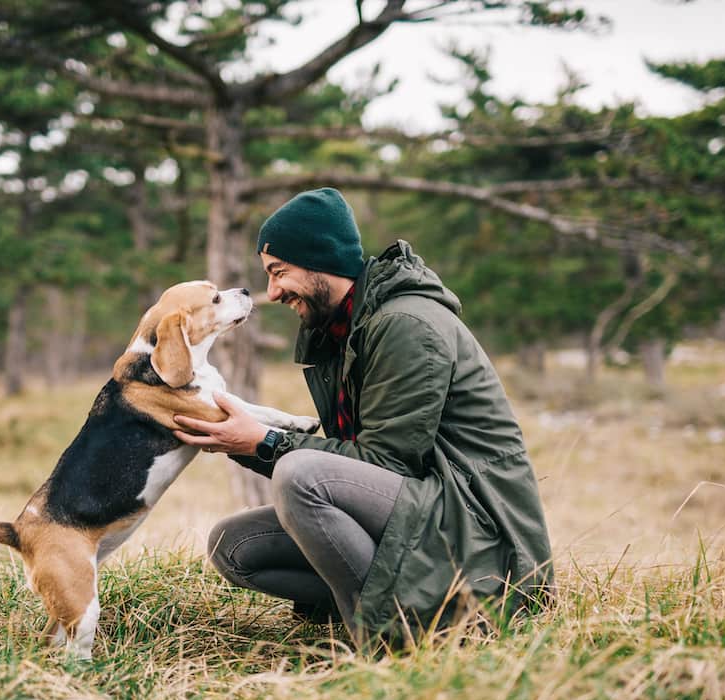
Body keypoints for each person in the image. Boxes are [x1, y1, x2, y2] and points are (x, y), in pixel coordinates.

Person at [173, 187, 553, 646]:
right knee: (233, 546)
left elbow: (385, 462)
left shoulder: (406, 324)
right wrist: (243, 440)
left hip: (485, 543)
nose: (272, 292)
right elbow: (353, 461)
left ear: (321, 260)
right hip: (426, 513)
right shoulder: (347, 327)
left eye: (280, 272)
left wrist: (266, 443)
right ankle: (426, 620)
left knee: (300, 475)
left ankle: (386, 641)